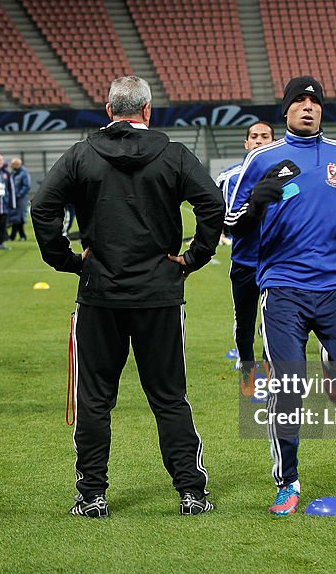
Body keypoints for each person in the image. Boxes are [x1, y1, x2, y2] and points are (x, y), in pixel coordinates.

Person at [32, 75, 223, 517]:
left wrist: (68, 260)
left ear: (108, 109)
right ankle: (191, 492)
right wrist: (194, 257)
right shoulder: (172, 153)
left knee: (95, 398)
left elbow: (43, 207)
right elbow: (212, 203)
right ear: (147, 111)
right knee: (169, 396)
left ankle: (92, 495)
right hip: (159, 294)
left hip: (99, 294)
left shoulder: (82, 153)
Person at [226, 76, 336, 516]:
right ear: (286, 110)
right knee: (288, 387)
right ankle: (288, 482)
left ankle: (334, 365)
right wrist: (256, 205)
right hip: (283, 288)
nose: (309, 107)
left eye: (315, 101)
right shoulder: (263, 158)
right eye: (300, 101)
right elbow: (231, 223)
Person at [217, 120, 274, 391]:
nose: (259, 140)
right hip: (244, 262)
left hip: (277, 262)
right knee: (245, 323)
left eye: (265, 136)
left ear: (273, 142)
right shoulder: (229, 179)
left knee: (276, 320)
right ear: (246, 143)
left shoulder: (289, 176)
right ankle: (247, 371)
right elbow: (226, 218)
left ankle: (271, 372)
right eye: (254, 136)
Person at [7, 157, 31, 241]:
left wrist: (18, 195)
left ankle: (15, 236)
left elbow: (26, 186)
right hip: (14, 198)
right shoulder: (12, 173)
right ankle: (21, 236)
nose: (14, 166)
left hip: (20, 199)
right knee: (16, 217)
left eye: (15, 164)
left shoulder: (23, 173)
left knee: (19, 217)